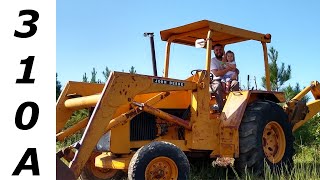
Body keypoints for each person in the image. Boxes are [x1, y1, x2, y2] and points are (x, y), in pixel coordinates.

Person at [210, 44, 239, 112]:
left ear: (223, 51)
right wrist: (228, 69)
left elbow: (235, 69)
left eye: (220, 50)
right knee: (217, 86)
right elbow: (216, 74)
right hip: (217, 80)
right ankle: (221, 108)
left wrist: (236, 73)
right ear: (214, 51)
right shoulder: (213, 61)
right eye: (216, 50)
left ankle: (233, 107)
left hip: (229, 79)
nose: (218, 51)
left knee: (235, 83)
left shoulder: (227, 59)